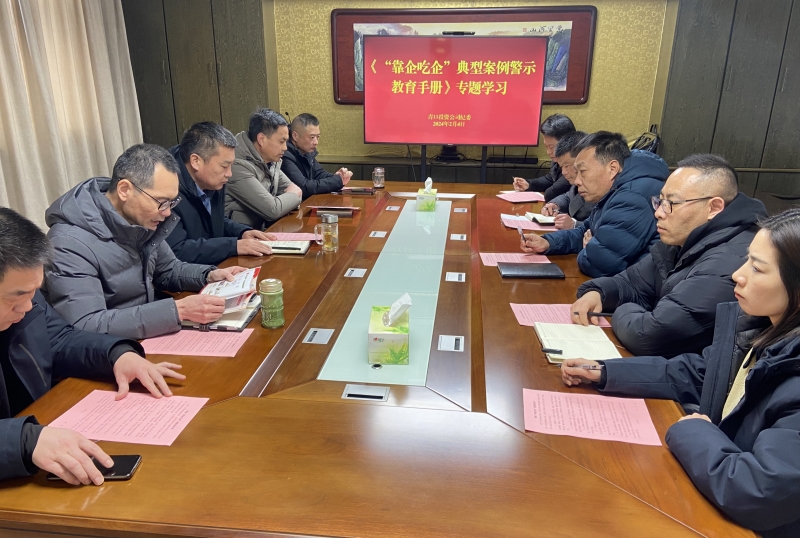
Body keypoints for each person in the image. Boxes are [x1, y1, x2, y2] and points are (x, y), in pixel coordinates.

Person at [561, 208, 800, 538]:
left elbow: (759, 491)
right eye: (746, 260)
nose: (737, 275)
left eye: (757, 268)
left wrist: (693, 432)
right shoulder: (760, 330)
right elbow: (697, 373)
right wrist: (605, 372)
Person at [0, 207, 184, 484]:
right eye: (16, 298)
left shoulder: (26, 299)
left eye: (33, 292)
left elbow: (59, 339)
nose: (27, 306)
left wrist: (116, 354)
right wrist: (24, 440)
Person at [571, 154, 767, 357]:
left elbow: (650, 336)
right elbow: (630, 282)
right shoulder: (683, 239)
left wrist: (624, 309)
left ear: (714, 208)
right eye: (660, 201)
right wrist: (598, 293)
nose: (658, 213)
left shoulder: (729, 259)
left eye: (671, 203)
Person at [44, 144, 246, 340]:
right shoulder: (68, 243)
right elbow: (86, 324)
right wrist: (177, 311)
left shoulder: (140, 220)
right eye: (162, 202)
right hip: (111, 350)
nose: (167, 213)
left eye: (172, 202)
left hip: (146, 334)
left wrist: (208, 275)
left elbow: (168, 269)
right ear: (124, 190)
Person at [520, 131, 669, 278]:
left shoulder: (632, 197)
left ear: (612, 169)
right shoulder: (616, 188)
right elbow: (585, 230)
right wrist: (548, 242)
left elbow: (598, 264)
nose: (577, 181)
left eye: (583, 171)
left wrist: (589, 247)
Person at [167, 122, 276, 265]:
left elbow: (215, 220)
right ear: (195, 161)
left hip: (214, 268)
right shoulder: (167, 190)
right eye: (224, 166)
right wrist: (233, 246)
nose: (229, 173)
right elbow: (177, 250)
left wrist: (242, 232)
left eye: (231, 165)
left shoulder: (213, 180)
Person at [226, 108, 303, 229]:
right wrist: (290, 197)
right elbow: (273, 210)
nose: (285, 148)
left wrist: (290, 198)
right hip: (237, 236)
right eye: (281, 141)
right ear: (261, 139)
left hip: (262, 231)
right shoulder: (236, 165)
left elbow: (296, 192)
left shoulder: (271, 161)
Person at [282, 113, 353, 199]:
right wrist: (337, 181)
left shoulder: (305, 150)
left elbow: (319, 174)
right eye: (312, 137)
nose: (316, 142)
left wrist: (337, 176)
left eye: (318, 137)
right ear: (295, 136)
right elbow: (304, 187)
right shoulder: (284, 155)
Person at [511, 114, 575, 201]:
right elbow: (550, 179)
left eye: (551, 147)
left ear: (567, 142)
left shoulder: (574, 165)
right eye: (546, 147)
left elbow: (551, 193)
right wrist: (528, 184)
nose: (548, 152)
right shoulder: (556, 159)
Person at [539, 131, 593, 229]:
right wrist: (555, 204)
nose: (563, 172)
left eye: (567, 166)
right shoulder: (579, 183)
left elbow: (606, 228)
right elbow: (569, 196)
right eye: (561, 167)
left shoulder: (604, 187)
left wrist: (574, 225)